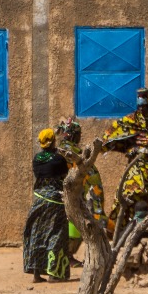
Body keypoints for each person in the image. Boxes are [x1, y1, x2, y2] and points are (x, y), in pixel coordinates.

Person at [101, 87, 148, 228]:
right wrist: (131, 143)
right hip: (135, 165)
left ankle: (146, 227)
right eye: (140, 107)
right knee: (127, 193)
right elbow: (109, 135)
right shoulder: (130, 120)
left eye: (145, 106)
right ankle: (121, 228)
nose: (142, 110)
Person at [55, 116, 111, 259]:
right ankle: (69, 256)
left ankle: (69, 256)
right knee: (82, 226)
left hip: (76, 194)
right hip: (78, 195)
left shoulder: (65, 150)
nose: (80, 137)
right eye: (78, 134)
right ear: (73, 135)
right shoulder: (69, 153)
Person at [22, 128, 71, 282]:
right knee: (56, 234)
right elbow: (65, 175)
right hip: (56, 201)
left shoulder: (37, 159)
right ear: (53, 141)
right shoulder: (58, 159)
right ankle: (54, 273)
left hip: (39, 200)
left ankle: (37, 273)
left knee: (37, 234)